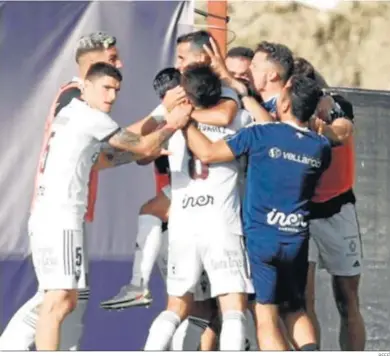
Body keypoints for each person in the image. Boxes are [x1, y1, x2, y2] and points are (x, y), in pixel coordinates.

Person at [26, 62, 192, 351]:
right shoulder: (89, 116)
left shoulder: (72, 114)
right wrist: (172, 123)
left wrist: (151, 140)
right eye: (105, 88)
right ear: (86, 87)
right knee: (57, 301)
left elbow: (108, 158)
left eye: (116, 90)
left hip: (48, 215)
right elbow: (140, 146)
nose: (112, 97)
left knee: (62, 300)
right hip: (60, 216)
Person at [182, 75, 332, 351]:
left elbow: (208, 153)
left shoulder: (260, 134)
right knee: (295, 310)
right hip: (296, 240)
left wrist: (185, 122)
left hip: (262, 240)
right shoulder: (320, 147)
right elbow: (289, 140)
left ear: (284, 104)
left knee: (265, 317)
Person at [0, 31, 125, 351]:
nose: (120, 65)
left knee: (67, 299)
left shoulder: (72, 96)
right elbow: (123, 144)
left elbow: (96, 158)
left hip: (69, 208)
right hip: (60, 210)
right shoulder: (76, 96)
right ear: (93, 64)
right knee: (60, 298)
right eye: (112, 60)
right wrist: (161, 127)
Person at [144, 63, 254, 351]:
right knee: (232, 308)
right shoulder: (238, 118)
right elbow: (263, 123)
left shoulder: (171, 124)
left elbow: (144, 150)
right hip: (221, 224)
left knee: (175, 307)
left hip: (183, 225)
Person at [294, 57, 365, 351]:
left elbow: (341, 131)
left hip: (337, 208)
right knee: (303, 299)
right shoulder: (283, 109)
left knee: (347, 298)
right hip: (302, 212)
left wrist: (320, 127)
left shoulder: (335, 104)